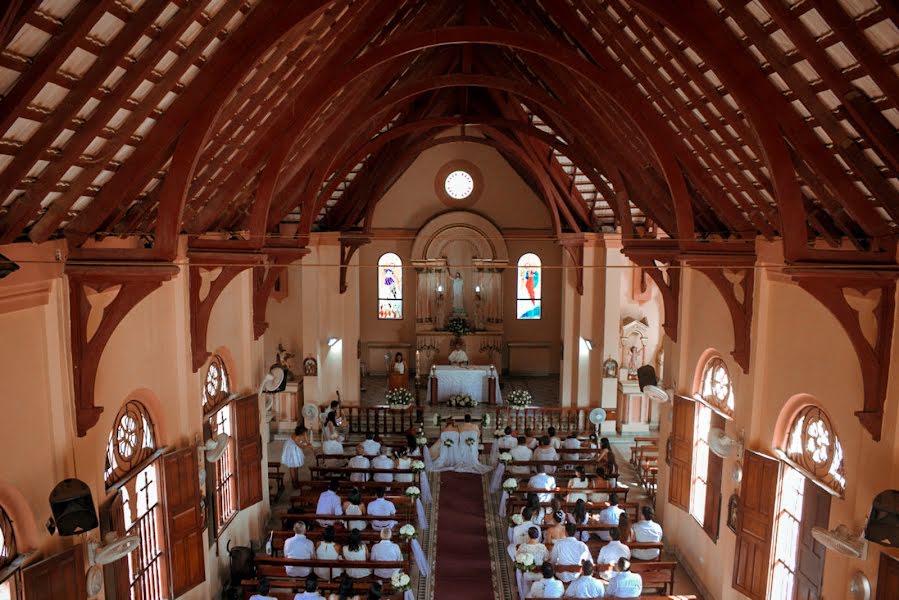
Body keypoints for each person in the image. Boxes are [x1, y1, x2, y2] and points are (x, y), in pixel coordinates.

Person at [281, 423, 308, 488]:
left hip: (295, 448)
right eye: (304, 433)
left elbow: (306, 442)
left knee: (296, 466)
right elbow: (302, 446)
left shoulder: (299, 435)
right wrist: (307, 445)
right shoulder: (296, 437)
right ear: (301, 433)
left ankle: (297, 480)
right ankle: (294, 482)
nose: (305, 434)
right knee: (292, 466)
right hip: (291, 450)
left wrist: (306, 437)